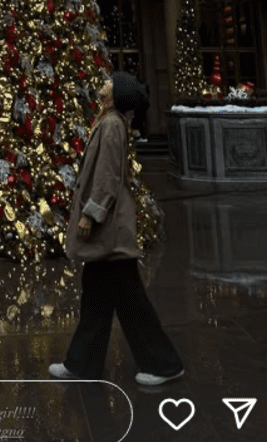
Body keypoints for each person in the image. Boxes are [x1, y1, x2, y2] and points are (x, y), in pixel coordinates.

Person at [49, 73, 184, 386]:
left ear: (117, 94)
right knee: (97, 299)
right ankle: (82, 364)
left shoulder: (110, 124)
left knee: (128, 298)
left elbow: (108, 176)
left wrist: (91, 215)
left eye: (111, 82)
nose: (105, 83)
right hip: (109, 226)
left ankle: (164, 365)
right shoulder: (110, 121)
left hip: (108, 226)